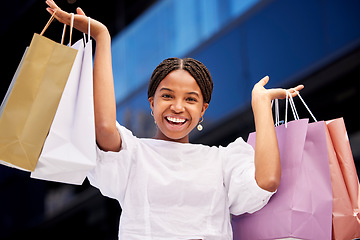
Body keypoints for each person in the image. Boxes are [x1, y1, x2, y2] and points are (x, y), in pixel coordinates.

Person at [45, 1, 304, 239]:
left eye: (190, 99)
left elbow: (266, 182)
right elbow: (103, 126)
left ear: (203, 110)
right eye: (167, 96)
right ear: (152, 103)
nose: (178, 107)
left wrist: (260, 105)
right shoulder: (135, 155)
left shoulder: (222, 161)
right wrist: (102, 37)